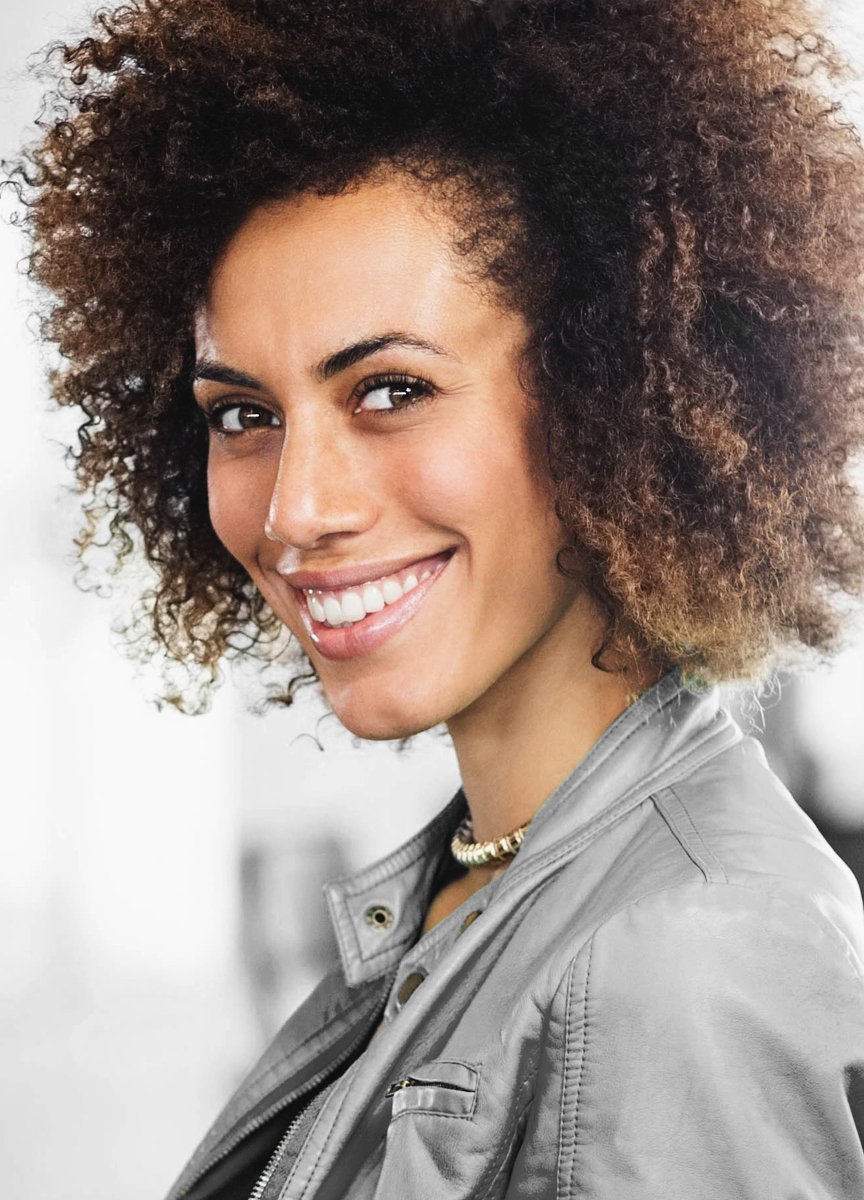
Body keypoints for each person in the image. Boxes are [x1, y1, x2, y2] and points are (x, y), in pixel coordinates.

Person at [14, 0, 864, 1195]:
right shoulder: (478, 880)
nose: (294, 509)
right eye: (243, 414)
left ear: (611, 391)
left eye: (391, 390)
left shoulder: (685, 959)